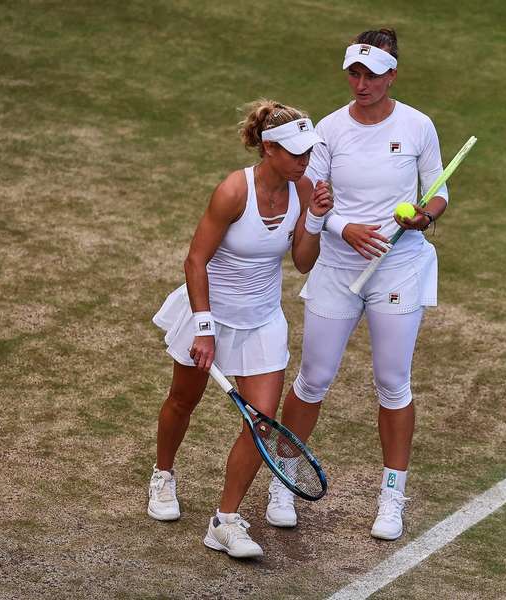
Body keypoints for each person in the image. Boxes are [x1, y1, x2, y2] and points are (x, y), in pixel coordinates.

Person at [271, 28, 449, 541]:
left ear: (392, 75)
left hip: (399, 266)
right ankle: (285, 479)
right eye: (355, 72)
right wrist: (342, 227)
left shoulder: (418, 125)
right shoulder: (328, 130)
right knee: (313, 378)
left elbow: (439, 189)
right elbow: (314, 203)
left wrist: (424, 216)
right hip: (337, 267)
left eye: (372, 75)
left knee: (393, 383)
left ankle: (392, 496)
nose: (361, 83)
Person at [147, 99, 331, 559]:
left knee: (262, 425)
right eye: (295, 153)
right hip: (209, 311)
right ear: (269, 149)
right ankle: (163, 474)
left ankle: (225, 521)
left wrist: (317, 219)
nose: (304, 161)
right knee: (182, 399)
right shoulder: (232, 191)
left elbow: (303, 262)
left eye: (309, 152)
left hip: (263, 320)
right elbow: (195, 260)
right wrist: (204, 329)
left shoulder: (304, 189)